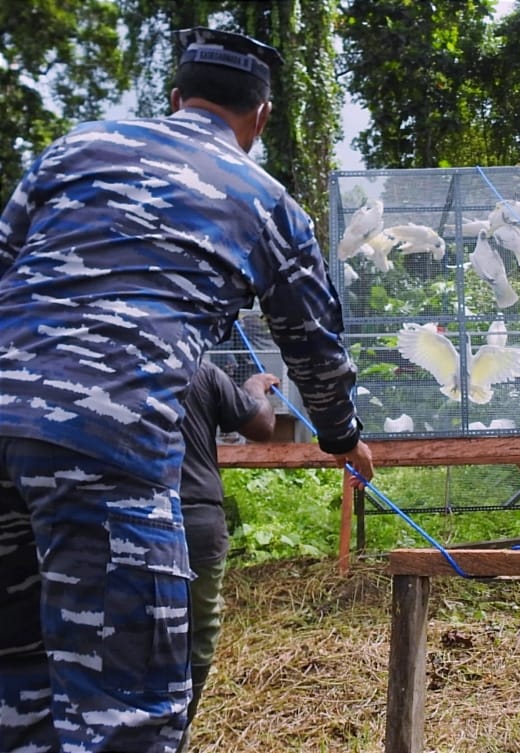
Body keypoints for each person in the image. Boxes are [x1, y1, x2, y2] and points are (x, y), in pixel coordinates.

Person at [0, 26, 373, 753]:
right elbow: (315, 347)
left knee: (17, 681)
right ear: (260, 119)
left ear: (175, 99)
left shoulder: (74, 151)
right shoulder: (267, 202)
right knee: (126, 709)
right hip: (104, 442)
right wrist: (342, 435)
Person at [179, 360, 280, 751]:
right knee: (198, 633)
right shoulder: (200, 370)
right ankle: (178, 727)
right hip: (194, 521)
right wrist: (255, 387)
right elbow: (261, 426)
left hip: (123, 518)